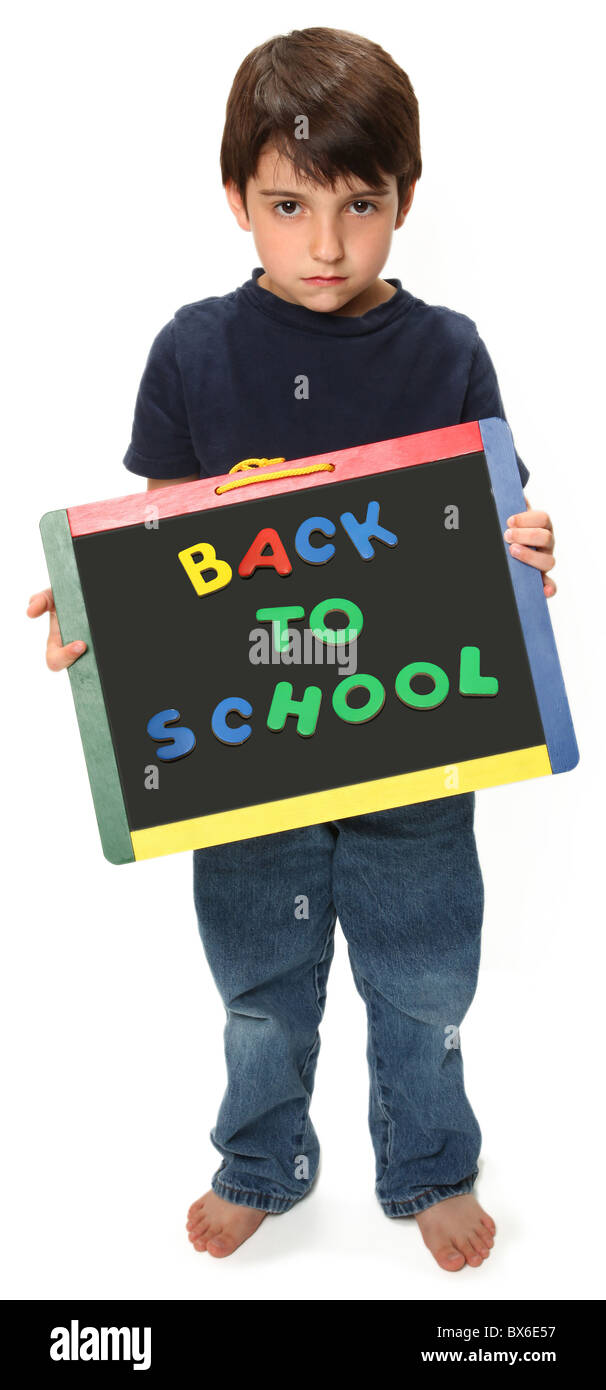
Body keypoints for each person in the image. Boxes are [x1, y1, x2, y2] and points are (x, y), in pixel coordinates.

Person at [27, 27, 556, 1271]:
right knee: (260, 986)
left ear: (404, 202)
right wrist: (103, 609)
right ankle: (263, 1160)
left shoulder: (446, 350)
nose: (326, 245)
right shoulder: (193, 351)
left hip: (413, 737)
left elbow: (485, 533)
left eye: (360, 206)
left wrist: (523, 545)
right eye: (288, 205)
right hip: (249, 747)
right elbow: (162, 543)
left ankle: (428, 1162)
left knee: (425, 979)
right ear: (236, 203)